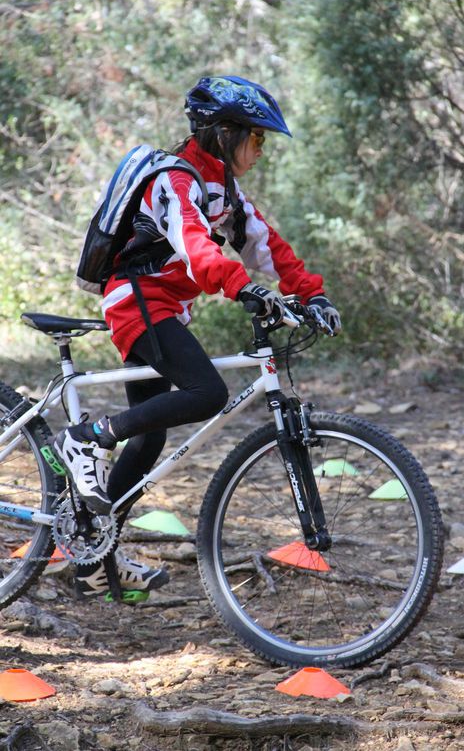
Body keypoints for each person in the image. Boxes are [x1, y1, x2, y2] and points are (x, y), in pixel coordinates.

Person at [54, 75, 341, 598]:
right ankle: (85, 438)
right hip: (138, 302)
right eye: (256, 138)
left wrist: (310, 294)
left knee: (148, 438)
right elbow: (194, 246)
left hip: (166, 308)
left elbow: (267, 246)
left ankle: (94, 553)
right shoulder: (176, 179)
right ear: (223, 132)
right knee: (207, 393)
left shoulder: (222, 188)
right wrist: (241, 287)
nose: (260, 150)